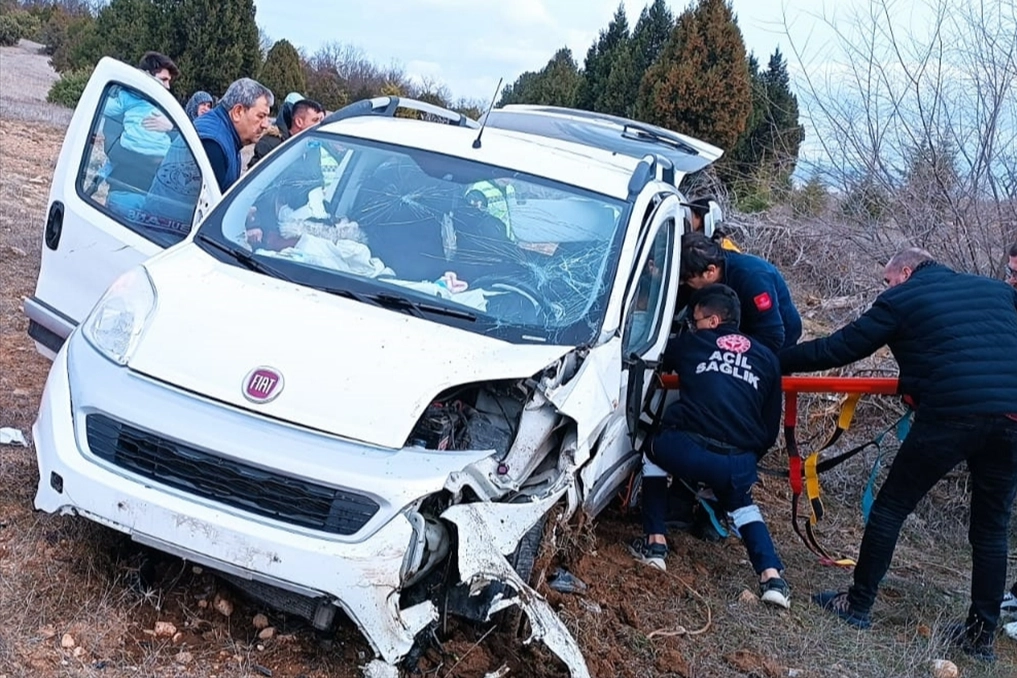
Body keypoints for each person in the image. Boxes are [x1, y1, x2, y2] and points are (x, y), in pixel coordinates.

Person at [779, 247, 1017, 661]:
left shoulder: (901, 299)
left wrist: (774, 358)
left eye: (886, 281)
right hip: (1012, 418)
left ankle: (857, 604)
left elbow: (841, 348)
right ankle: (980, 638)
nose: (884, 289)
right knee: (992, 529)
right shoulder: (997, 291)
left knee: (891, 508)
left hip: (951, 412)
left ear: (905, 272)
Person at [629, 284, 791, 608]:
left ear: (714, 322)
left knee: (653, 454)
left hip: (686, 448)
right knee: (741, 503)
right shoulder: (767, 359)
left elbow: (650, 356)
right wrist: (744, 462)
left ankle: (655, 544)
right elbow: (769, 426)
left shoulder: (693, 343)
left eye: (696, 320)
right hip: (737, 461)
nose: (692, 326)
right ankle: (772, 578)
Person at [139, 78, 273, 239]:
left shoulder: (226, 135)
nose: (266, 124)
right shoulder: (213, 144)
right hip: (165, 239)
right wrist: (240, 233)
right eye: (261, 116)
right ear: (238, 112)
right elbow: (208, 216)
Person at [680, 232, 802, 353]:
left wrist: (722, 348)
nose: (686, 284)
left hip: (775, 339)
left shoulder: (752, 280)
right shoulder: (704, 270)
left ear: (710, 271)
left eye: (688, 280)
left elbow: (772, 337)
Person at [101, 51, 180, 193]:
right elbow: (103, 107)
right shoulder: (125, 99)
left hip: (153, 183)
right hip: (125, 182)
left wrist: (172, 126)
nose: (168, 86)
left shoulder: (168, 107)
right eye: (163, 79)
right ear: (148, 76)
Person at [249, 93, 322, 168]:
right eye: (315, 120)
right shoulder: (270, 144)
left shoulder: (312, 146)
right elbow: (255, 177)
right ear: (299, 122)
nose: (319, 124)